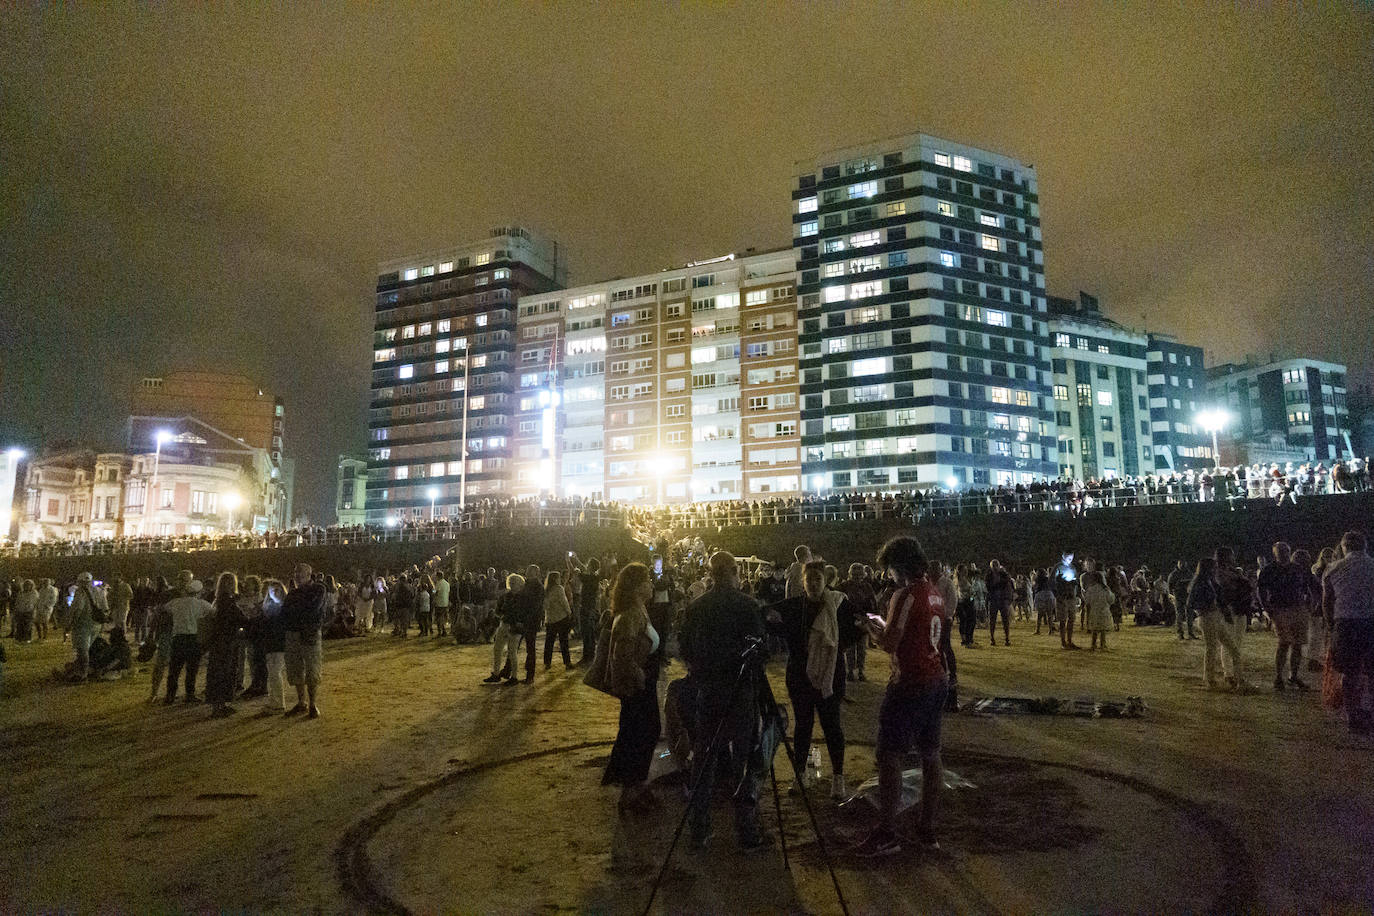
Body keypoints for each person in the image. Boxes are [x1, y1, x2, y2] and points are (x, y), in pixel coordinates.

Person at [856, 535, 950, 857]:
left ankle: (887, 832)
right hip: (936, 678)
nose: (889, 575)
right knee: (930, 753)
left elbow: (891, 642)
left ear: (899, 566)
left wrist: (871, 628)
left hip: (910, 682)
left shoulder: (905, 594)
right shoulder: (935, 592)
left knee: (889, 756)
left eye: (890, 568)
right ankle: (927, 829)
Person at [678, 550, 769, 851]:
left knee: (705, 757)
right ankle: (745, 828)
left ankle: (699, 827)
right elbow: (760, 651)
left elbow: (685, 649)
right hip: (741, 691)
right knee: (745, 759)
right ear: (732, 571)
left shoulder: (696, 607)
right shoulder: (747, 605)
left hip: (708, 690)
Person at [765, 560, 857, 800]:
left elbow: (856, 628)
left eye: (818, 578)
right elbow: (765, 614)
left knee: (831, 725)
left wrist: (836, 648)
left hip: (830, 673)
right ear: (802, 582)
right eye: (810, 579)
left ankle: (838, 777)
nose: (814, 583)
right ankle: (801, 773)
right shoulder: (794, 606)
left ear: (826, 580)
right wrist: (774, 621)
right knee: (803, 726)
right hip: (799, 674)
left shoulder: (838, 605)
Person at [601, 562, 662, 816]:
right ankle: (630, 791)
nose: (651, 585)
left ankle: (638, 784)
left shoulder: (639, 610)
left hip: (641, 683)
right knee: (639, 733)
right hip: (636, 686)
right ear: (637, 587)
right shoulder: (631, 615)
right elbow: (621, 655)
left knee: (642, 732)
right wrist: (639, 677)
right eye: (647, 581)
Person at [1322, 531, 1374, 734]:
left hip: (1345, 624)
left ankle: (1353, 716)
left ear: (1344, 547)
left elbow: (1327, 602)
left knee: (1349, 673)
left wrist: (1330, 625)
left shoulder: (1333, 568)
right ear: (1365, 546)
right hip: (1371, 621)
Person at [1257, 542, 1313, 691]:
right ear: (1275, 554)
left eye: (1286, 551)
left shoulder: (1298, 569)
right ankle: (1279, 677)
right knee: (1284, 643)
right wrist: (1267, 609)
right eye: (1280, 551)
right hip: (1280, 609)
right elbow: (1261, 590)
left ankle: (1293, 676)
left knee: (1297, 644)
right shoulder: (1269, 570)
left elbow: (1309, 586)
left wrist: (1310, 605)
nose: (1284, 554)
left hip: (1298, 608)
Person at [280, 563, 326, 719]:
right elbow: (285, 613)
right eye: (295, 572)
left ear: (308, 574)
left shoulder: (318, 589)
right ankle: (302, 702)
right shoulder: (293, 594)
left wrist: (295, 612)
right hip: (295, 634)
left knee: (312, 670)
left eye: (299, 572)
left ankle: (312, 703)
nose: (296, 575)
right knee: (295, 669)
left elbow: (311, 610)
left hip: (309, 634)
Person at [1189, 557, 1243, 691]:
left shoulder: (1211, 581)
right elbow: (1190, 603)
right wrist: (1204, 609)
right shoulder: (1200, 583)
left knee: (1231, 648)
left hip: (1215, 617)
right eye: (1213, 567)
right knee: (1212, 649)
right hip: (1207, 618)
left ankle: (1236, 679)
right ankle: (1210, 680)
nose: (1216, 569)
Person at [163, 571, 213, 703]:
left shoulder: (175, 602)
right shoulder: (201, 604)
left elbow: (164, 609)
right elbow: (213, 611)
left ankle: (170, 695)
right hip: (193, 638)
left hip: (178, 638)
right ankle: (189, 694)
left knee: (174, 669)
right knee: (192, 669)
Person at [204, 573, 248, 718]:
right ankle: (219, 705)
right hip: (227, 642)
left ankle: (218, 705)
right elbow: (240, 619)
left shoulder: (217, 601)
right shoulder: (228, 602)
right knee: (225, 672)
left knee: (217, 672)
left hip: (217, 642)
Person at [65, 572, 108, 681]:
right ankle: (82, 670)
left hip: (83, 624)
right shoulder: (100, 591)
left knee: (82, 650)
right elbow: (105, 608)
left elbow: (78, 609)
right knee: (88, 649)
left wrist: (70, 624)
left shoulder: (80, 593)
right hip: (96, 624)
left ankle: (82, 674)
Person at [484, 574, 525, 684]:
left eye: (514, 583)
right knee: (497, 649)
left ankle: (514, 676)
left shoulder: (522, 597)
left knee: (512, 652)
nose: (512, 585)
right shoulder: (507, 596)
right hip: (505, 624)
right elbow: (498, 609)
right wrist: (501, 615)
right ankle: (496, 673)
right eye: (511, 582)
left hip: (514, 626)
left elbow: (522, 613)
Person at [260, 579, 288, 715]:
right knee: (272, 674)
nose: (275, 593)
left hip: (279, 644)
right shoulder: (268, 608)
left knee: (275, 673)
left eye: (278, 590)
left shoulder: (284, 607)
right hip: (270, 644)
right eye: (272, 590)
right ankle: (273, 701)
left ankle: (278, 704)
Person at [542, 570, 573, 670]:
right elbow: (564, 602)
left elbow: (545, 606)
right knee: (563, 641)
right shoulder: (559, 588)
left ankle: (547, 662)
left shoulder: (546, 590)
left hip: (550, 619)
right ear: (556, 579)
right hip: (561, 617)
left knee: (549, 642)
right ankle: (567, 662)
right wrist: (569, 613)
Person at [1053, 555, 1081, 650]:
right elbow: (1052, 581)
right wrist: (1058, 591)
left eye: (1072, 557)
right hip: (1062, 597)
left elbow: (1076, 579)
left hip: (1071, 596)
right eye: (1068, 556)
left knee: (1071, 619)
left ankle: (1070, 640)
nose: (1071, 559)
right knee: (1062, 620)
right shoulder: (1058, 567)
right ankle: (1063, 642)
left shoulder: (1072, 567)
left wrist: (1074, 583)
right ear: (1063, 556)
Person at [1082, 570, 1114, 651]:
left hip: (1094, 610)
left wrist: (1083, 594)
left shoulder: (1091, 589)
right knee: (1103, 629)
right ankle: (1103, 644)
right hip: (1104, 609)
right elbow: (1111, 599)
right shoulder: (1106, 589)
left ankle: (1093, 644)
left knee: (1095, 629)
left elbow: (1087, 600)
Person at [985, 560, 1014, 647]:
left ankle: (1007, 638)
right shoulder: (989, 576)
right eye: (993, 565)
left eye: (996, 565)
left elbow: (1008, 581)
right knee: (992, 620)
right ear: (991, 567)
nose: (995, 567)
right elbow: (988, 587)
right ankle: (992, 638)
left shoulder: (1003, 574)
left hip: (1002, 599)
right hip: (994, 599)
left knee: (1005, 620)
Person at [1167, 560, 1197, 640]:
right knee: (1179, 615)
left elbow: (1193, 583)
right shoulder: (1174, 574)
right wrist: (1171, 596)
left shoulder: (1188, 573)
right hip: (1178, 596)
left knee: (1189, 615)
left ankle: (1190, 633)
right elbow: (1169, 587)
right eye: (1181, 564)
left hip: (1187, 596)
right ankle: (1180, 633)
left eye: (1184, 564)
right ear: (1178, 564)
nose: (1183, 565)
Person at [433, 571, 451, 638]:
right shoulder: (447, 583)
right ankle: (443, 631)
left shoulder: (438, 583)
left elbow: (435, 592)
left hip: (439, 603)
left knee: (438, 618)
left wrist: (433, 591)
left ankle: (440, 632)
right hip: (445, 602)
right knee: (443, 618)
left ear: (438, 576)